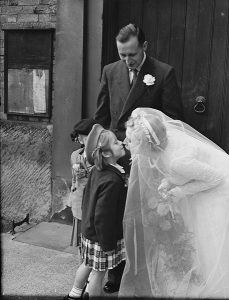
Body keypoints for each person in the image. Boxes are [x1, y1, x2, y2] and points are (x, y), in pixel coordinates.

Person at [94, 23, 183, 293]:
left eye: (132, 54)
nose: (127, 60)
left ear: (144, 47)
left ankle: (142, 270)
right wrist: (95, 148)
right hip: (117, 157)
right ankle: (116, 272)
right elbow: (101, 117)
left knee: (141, 217)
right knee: (114, 216)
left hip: (146, 159)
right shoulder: (110, 71)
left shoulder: (163, 73)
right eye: (122, 55)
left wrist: (150, 145)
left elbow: (173, 120)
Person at [119, 107, 229, 298]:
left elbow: (216, 178)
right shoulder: (164, 140)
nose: (126, 143)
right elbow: (179, 171)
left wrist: (180, 191)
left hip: (219, 190)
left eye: (132, 141)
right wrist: (168, 181)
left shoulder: (177, 161)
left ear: (147, 146)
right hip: (202, 180)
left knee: (210, 242)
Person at [64, 124, 127, 299]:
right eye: (116, 143)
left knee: (86, 264)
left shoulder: (98, 171)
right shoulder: (112, 180)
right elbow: (103, 216)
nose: (121, 142)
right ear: (106, 153)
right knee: (98, 275)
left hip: (90, 232)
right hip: (103, 238)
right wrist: (107, 244)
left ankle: (74, 294)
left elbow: (88, 203)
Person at [68, 118, 96, 249]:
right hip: (79, 199)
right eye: (79, 134)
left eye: (82, 134)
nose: (79, 137)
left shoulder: (98, 155)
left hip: (92, 201)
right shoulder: (75, 154)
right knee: (81, 242)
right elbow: (73, 179)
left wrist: (87, 174)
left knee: (91, 239)